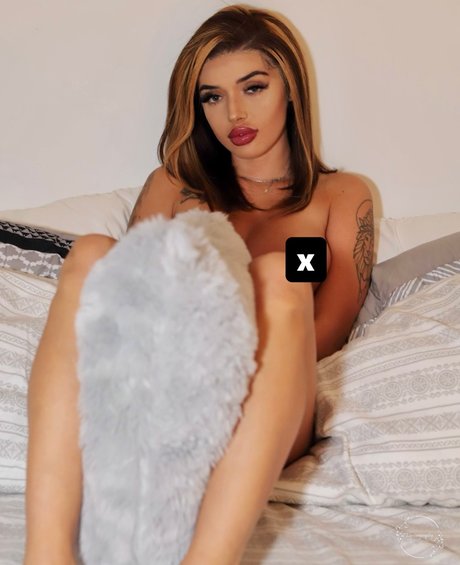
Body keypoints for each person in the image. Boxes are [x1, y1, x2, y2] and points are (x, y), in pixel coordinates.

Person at [24, 4, 374, 564]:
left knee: (280, 274)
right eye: (212, 96)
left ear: (291, 88)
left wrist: (232, 337)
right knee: (92, 251)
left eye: (253, 87)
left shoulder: (336, 197)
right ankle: (46, 555)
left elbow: (325, 329)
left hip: (270, 399)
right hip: (169, 385)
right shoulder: (173, 185)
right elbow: (130, 308)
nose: (234, 112)